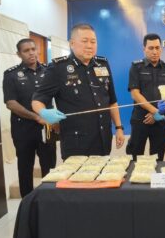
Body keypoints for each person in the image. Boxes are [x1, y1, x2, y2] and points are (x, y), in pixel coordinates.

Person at [32, 23, 125, 159]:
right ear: (72, 43)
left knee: (102, 178)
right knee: (77, 180)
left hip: (103, 138)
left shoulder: (103, 65)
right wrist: (43, 112)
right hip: (75, 142)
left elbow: (112, 101)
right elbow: (37, 100)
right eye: (84, 41)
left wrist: (118, 128)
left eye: (93, 42)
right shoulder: (58, 68)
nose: (89, 46)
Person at [3, 38, 57, 197]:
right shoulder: (11, 75)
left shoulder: (49, 71)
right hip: (23, 130)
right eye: (26, 51)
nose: (31, 53)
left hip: (47, 127)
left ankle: (50, 200)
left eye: (33, 49)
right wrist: (36, 117)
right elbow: (11, 103)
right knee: (25, 168)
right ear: (18, 54)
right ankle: (27, 204)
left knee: (50, 166)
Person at [126, 33, 165, 161]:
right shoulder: (136, 67)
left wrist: (157, 115)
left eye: (157, 48)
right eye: (151, 48)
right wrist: (154, 111)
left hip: (160, 121)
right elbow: (135, 94)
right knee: (136, 158)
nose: (155, 51)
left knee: (158, 158)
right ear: (144, 49)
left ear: (161, 49)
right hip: (140, 120)